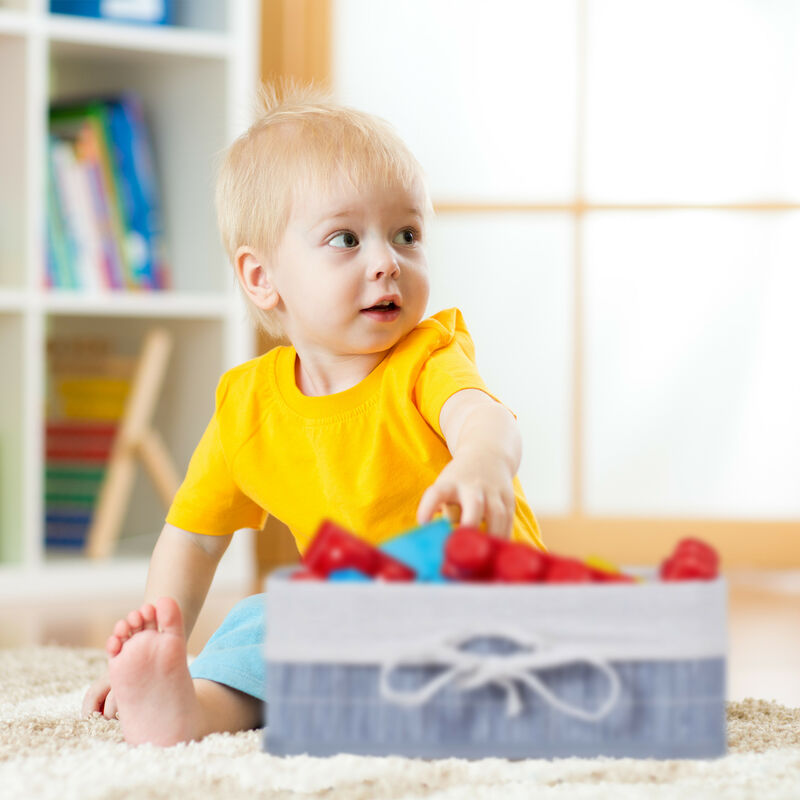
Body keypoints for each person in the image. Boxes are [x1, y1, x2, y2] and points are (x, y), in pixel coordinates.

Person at [81, 82, 545, 746]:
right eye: (346, 239)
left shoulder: (424, 358)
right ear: (261, 277)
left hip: (478, 598)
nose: (387, 261)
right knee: (263, 620)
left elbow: (484, 418)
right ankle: (191, 707)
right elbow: (194, 537)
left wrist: (479, 462)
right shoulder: (249, 407)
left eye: (407, 234)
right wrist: (164, 628)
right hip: (356, 615)